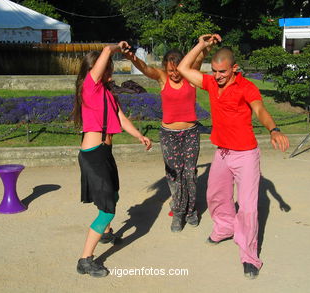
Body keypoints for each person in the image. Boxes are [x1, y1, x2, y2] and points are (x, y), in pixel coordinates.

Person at [177, 34, 289, 279]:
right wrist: (201, 45)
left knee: (248, 208)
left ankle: (250, 257)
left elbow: (260, 109)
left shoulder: (246, 87)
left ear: (234, 68)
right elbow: (182, 68)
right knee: (215, 196)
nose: (217, 76)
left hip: (246, 155)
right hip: (223, 153)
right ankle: (225, 228)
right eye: (215, 71)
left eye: (222, 72)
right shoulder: (210, 83)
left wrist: (274, 129)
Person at [72, 42, 152, 278]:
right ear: (97, 69)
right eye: (108, 67)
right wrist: (117, 47)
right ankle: (85, 260)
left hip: (104, 153)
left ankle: (105, 233)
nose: (111, 70)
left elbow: (119, 116)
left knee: (113, 194)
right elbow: (106, 51)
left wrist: (139, 135)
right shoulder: (90, 86)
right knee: (107, 209)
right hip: (93, 155)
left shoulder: (107, 91)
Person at [125, 44, 215, 232]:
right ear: (166, 68)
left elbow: (199, 58)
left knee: (189, 174)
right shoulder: (162, 78)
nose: (174, 74)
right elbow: (146, 69)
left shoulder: (190, 77)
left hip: (190, 133)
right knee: (174, 175)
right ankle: (178, 213)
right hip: (169, 136)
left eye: (177, 69)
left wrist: (207, 45)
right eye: (170, 70)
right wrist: (132, 58)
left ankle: (191, 211)